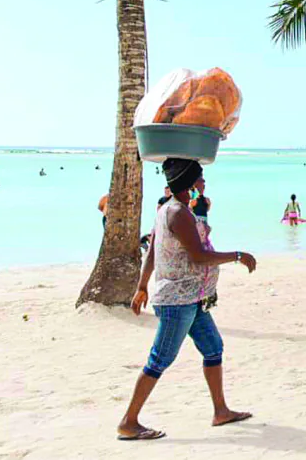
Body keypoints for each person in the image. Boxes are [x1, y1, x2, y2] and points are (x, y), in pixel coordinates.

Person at [117, 159, 256, 441]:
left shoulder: (170, 209)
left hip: (194, 298)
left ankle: (221, 411)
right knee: (160, 359)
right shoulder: (178, 213)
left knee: (213, 348)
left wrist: (142, 286)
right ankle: (128, 422)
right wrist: (238, 256)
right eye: (200, 179)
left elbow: (153, 250)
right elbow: (199, 256)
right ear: (189, 183)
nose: (203, 184)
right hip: (177, 301)